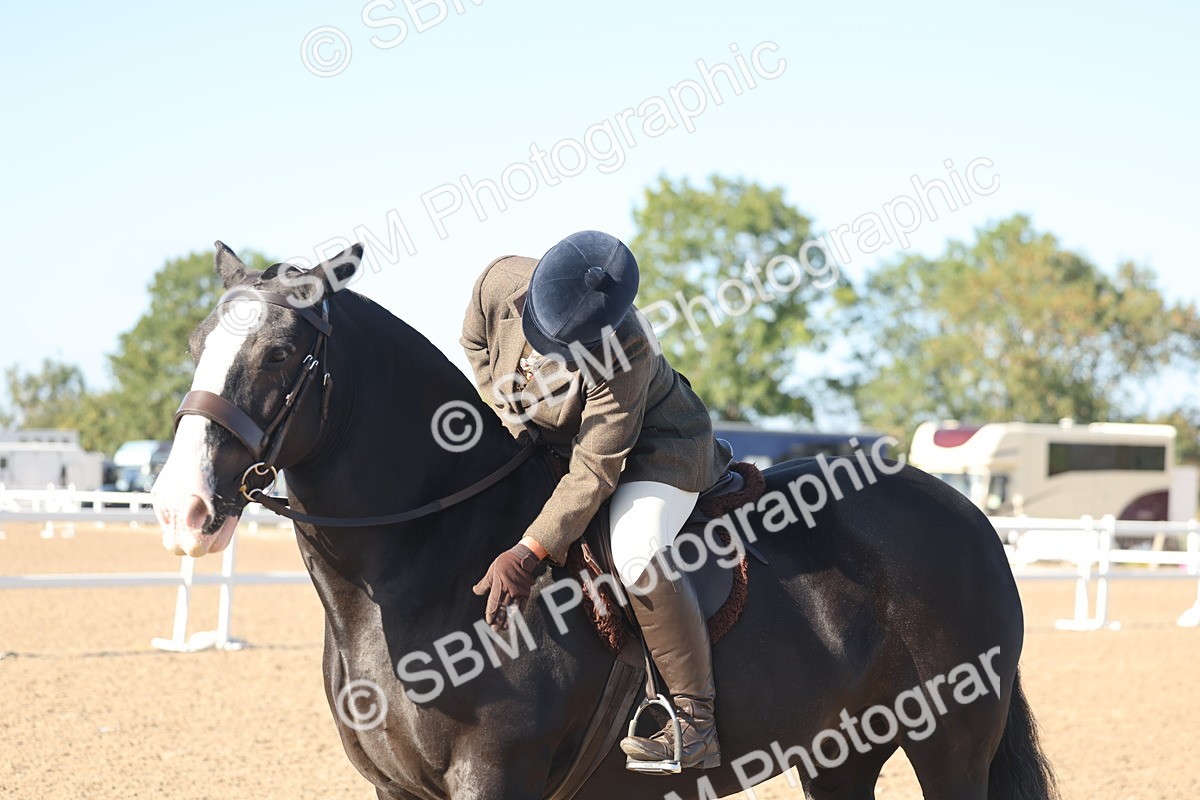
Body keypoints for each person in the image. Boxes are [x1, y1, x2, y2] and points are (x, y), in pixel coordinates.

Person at [462, 230, 732, 771]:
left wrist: (529, 551)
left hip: (658, 449)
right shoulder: (499, 280)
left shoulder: (627, 345)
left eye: (560, 348)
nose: (541, 352)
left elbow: (594, 469)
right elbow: (476, 348)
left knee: (635, 551)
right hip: (550, 440)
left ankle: (695, 722)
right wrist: (512, 418)